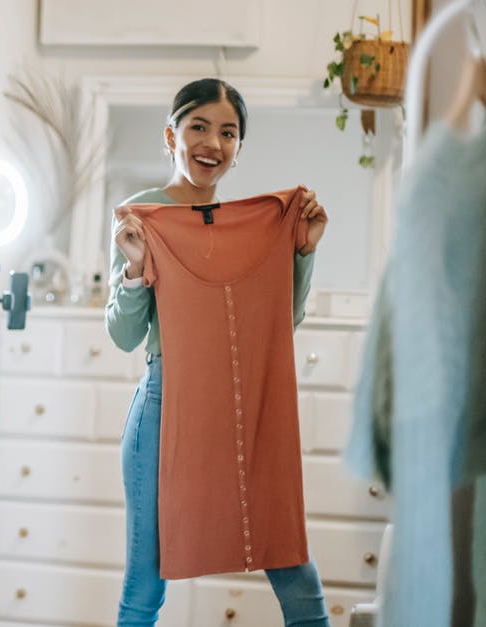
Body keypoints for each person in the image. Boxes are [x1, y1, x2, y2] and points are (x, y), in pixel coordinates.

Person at [106, 78, 330, 627]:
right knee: (145, 579)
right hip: (164, 409)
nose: (213, 142)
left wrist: (302, 252)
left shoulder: (251, 225)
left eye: (228, 132)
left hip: (241, 407)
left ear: (239, 149)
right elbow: (123, 335)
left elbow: (282, 319)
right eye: (199, 127)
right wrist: (135, 268)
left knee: (290, 560)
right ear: (171, 135)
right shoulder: (143, 216)